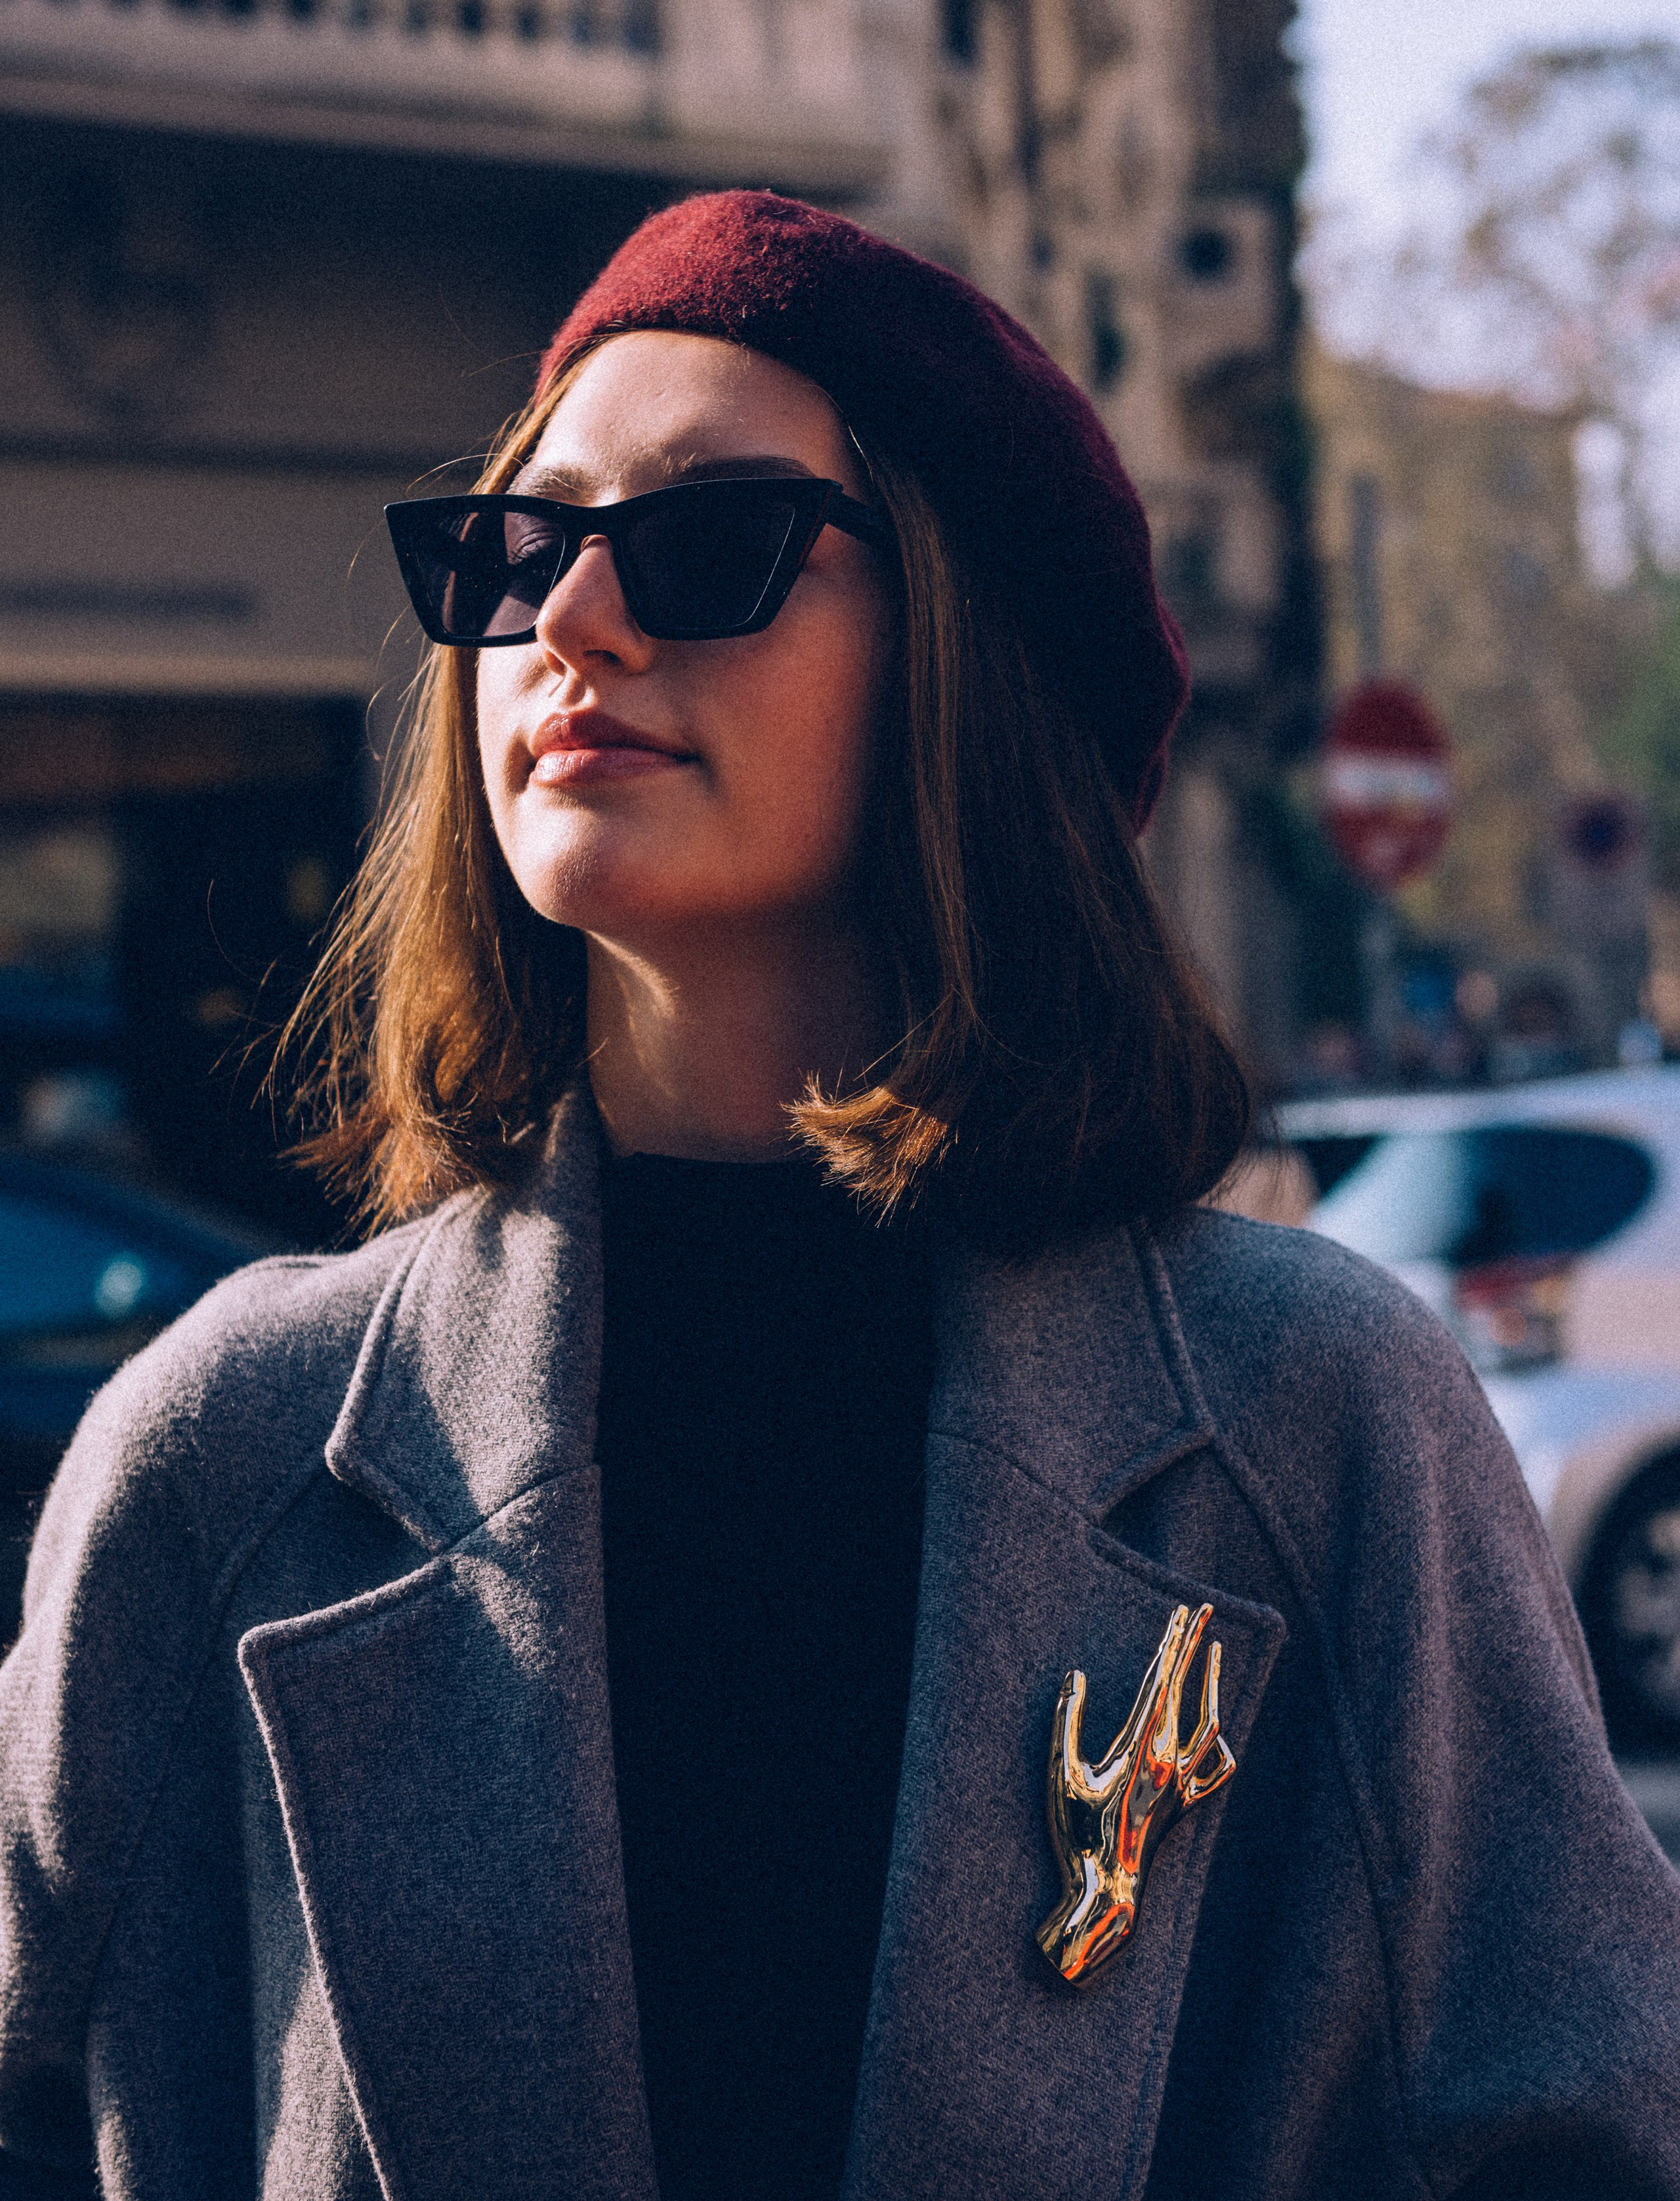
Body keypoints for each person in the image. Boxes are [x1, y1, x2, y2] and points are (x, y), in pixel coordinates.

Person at [1, 190, 1677, 2201]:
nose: (572, 625)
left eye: (710, 542)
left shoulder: (1318, 1419)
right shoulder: (224, 1452)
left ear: (961, 657)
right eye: (518, 550)